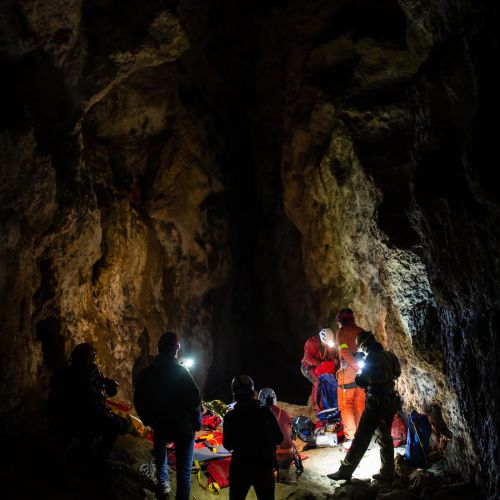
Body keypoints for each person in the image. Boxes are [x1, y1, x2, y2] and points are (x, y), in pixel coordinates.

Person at [134, 332, 202, 498]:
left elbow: (139, 399)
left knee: (159, 443)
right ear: (176, 348)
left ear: (158, 348)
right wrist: (196, 422)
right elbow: (195, 398)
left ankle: (163, 482)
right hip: (182, 427)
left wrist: (149, 420)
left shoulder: (146, 373)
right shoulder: (181, 372)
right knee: (184, 473)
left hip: (160, 424)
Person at [327, 331, 401, 482]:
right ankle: (388, 473)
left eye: (361, 349)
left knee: (361, 438)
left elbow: (361, 381)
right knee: (385, 437)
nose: (361, 352)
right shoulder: (390, 355)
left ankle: (345, 472)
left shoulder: (370, 359)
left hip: (375, 403)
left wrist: (362, 368)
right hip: (390, 401)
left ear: (365, 346)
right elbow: (397, 373)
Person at [48, 342, 128, 470]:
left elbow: (105, 390)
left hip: (81, 416)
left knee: (121, 424)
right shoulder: (76, 374)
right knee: (116, 424)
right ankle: (99, 463)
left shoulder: (74, 372)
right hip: (77, 419)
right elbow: (87, 403)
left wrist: (108, 385)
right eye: (89, 357)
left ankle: (86, 452)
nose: (90, 361)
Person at [223, 375, 284, 500]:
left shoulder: (231, 416)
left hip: (240, 466)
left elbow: (228, 444)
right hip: (264, 465)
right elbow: (279, 438)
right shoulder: (265, 412)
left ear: (234, 393)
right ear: (252, 391)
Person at [334, 308, 365, 448]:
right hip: (363, 375)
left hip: (348, 375)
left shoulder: (341, 333)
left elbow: (344, 351)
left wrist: (355, 366)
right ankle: (361, 437)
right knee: (360, 405)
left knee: (346, 406)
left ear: (341, 321)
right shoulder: (361, 331)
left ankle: (352, 439)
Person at [258, 388, 293, 484]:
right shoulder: (284, 413)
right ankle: (284, 471)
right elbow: (289, 433)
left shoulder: (259, 414)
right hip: (287, 457)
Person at [301, 327, 337, 412]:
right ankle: (319, 409)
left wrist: (334, 360)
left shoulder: (328, 343)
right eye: (326, 343)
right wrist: (320, 363)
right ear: (322, 339)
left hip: (318, 367)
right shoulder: (312, 343)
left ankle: (313, 405)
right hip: (307, 366)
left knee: (324, 381)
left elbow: (331, 355)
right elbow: (307, 359)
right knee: (318, 381)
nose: (327, 344)